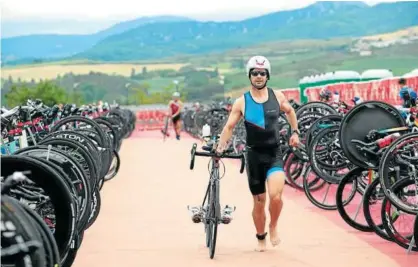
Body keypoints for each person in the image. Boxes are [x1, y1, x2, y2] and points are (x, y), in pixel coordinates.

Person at [215, 55, 300, 252]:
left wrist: (295, 132)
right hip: (253, 156)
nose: (259, 76)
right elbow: (229, 127)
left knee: (276, 196)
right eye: (255, 73)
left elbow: (290, 112)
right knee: (259, 202)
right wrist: (221, 146)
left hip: (274, 153)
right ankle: (260, 236)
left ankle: (273, 226)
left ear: (267, 75)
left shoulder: (277, 97)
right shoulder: (241, 102)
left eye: (262, 73)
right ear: (249, 76)